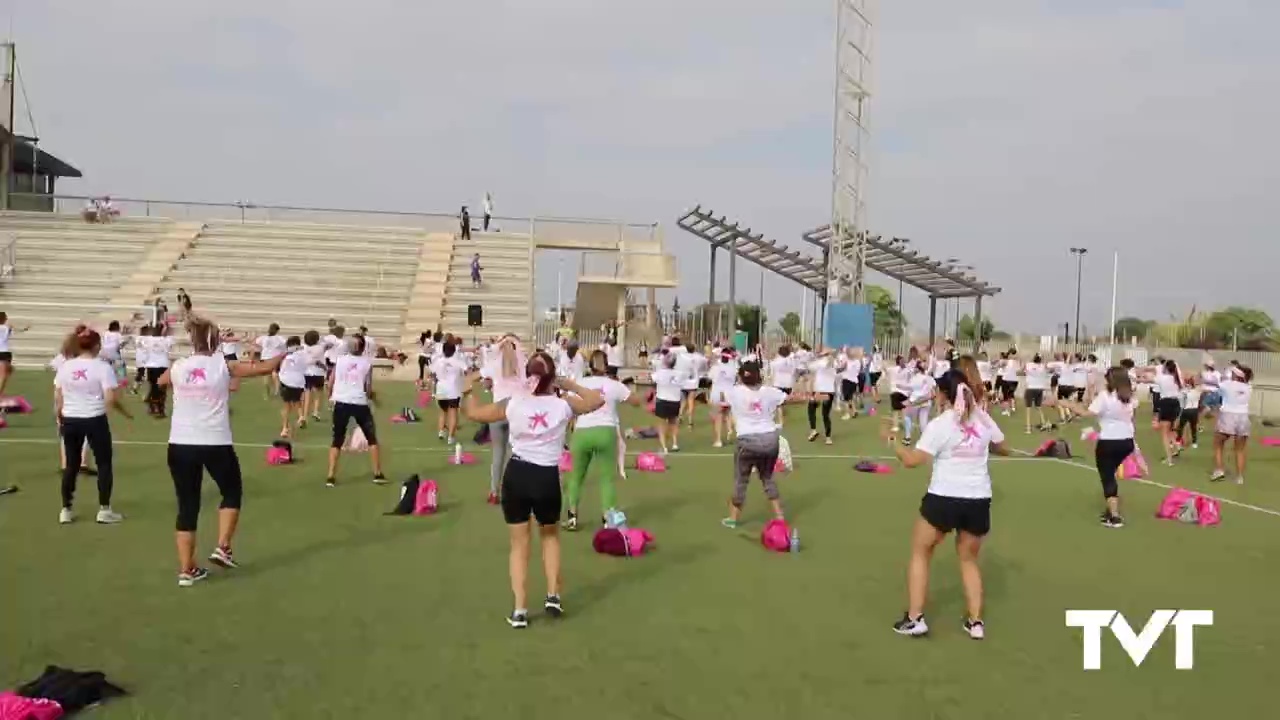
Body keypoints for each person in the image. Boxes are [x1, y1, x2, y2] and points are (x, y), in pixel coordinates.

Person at [461, 353, 604, 629]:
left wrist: (469, 389)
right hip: (546, 478)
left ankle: (520, 610)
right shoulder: (563, 405)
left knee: (519, 545)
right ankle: (552, 596)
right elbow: (596, 400)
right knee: (550, 537)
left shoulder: (514, 402)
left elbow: (474, 413)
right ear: (552, 377)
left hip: (517, 475)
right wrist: (569, 384)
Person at [159, 316, 284, 586]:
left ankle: (186, 570)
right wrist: (285, 354)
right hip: (215, 441)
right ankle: (223, 546)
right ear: (216, 341)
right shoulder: (224, 366)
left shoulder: (179, 366)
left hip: (180, 443)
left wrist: (184, 390)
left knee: (187, 506)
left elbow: (161, 380)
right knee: (231, 491)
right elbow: (265, 369)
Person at [885, 368, 1008, 640]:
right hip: (978, 499)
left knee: (921, 551)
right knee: (969, 560)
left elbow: (912, 461)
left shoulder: (941, 424)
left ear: (944, 394)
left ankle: (915, 618)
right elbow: (1002, 444)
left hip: (944, 498)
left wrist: (893, 443)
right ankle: (976, 623)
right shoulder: (983, 419)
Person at [54, 328, 133, 525]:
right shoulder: (102, 367)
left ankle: (66, 509)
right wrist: (122, 413)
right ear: (97, 345)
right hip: (94, 419)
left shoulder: (65, 367)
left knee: (71, 465)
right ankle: (104, 509)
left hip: (70, 419)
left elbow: (58, 396)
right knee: (104, 463)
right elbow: (110, 398)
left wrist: (60, 416)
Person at [721, 360, 808, 529]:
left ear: (741, 376)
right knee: (767, 477)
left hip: (747, 441)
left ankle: (732, 519)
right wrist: (809, 397)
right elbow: (790, 399)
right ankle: (779, 516)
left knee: (741, 480)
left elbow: (719, 400)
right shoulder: (770, 392)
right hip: (770, 440)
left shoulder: (734, 392)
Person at [563, 350, 640, 530]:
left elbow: (571, 406)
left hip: (582, 431)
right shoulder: (613, 384)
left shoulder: (580, 383)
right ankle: (608, 518)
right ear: (606, 365)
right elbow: (635, 401)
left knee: (576, 477)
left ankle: (572, 516)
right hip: (606, 431)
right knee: (606, 478)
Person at [1058, 367, 1136, 528]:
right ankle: (1111, 508)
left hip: (1109, 441)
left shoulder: (1105, 396)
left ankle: (1114, 516)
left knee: (1107, 476)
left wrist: (1067, 404)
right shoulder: (1128, 397)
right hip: (1126, 442)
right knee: (1110, 473)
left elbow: (1086, 414)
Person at [326, 335, 386, 487]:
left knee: (337, 439)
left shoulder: (339, 360)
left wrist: (331, 396)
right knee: (371, 438)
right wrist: (374, 399)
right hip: (359, 401)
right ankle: (377, 473)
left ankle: (331, 475)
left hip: (341, 402)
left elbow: (330, 382)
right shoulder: (367, 364)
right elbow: (368, 388)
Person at [482, 335, 526, 505]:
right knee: (518, 452)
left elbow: (485, 383)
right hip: (516, 408)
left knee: (498, 452)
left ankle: (494, 491)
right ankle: (516, 491)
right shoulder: (521, 362)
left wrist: (493, 384)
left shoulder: (493, 363)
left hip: (498, 408)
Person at [1211, 366, 1252, 485]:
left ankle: (1219, 469)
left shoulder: (1227, 384)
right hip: (1243, 417)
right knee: (1240, 449)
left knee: (1218, 443)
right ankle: (1239, 477)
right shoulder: (1248, 387)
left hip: (1228, 415)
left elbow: (1215, 385)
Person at [433, 340, 467, 445]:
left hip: (441, 389)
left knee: (443, 412)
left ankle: (441, 431)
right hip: (453, 390)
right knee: (453, 413)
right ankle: (451, 436)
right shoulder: (457, 361)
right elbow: (467, 370)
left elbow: (433, 374)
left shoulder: (439, 361)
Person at [652, 350, 684, 453]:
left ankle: (664, 446)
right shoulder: (679, 374)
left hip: (662, 400)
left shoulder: (660, 373)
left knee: (661, 424)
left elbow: (652, 378)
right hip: (675, 400)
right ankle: (674, 443)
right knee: (673, 423)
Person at [278, 336, 308, 438]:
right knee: (297, 401)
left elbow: (282, 369)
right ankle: (300, 416)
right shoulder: (304, 355)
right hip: (299, 381)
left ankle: (285, 428)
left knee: (286, 406)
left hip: (287, 381)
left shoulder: (287, 356)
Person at [708, 349, 739, 447]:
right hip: (730, 392)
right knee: (729, 414)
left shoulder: (716, 367)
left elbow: (710, 378)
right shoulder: (733, 367)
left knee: (718, 416)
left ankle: (718, 440)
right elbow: (736, 379)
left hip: (718, 393)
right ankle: (731, 430)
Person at [807, 349, 837, 445]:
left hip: (824, 392)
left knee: (823, 413)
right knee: (820, 412)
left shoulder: (824, 362)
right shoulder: (828, 362)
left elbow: (810, 366)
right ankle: (825, 436)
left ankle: (822, 434)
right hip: (823, 391)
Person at [0, 311, 28, 398]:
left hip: (4, 352)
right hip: (4, 352)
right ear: (4, 319)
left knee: (7, 372)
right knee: (4, 375)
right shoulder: (7, 327)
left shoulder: (7, 327)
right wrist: (25, 328)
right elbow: (19, 330)